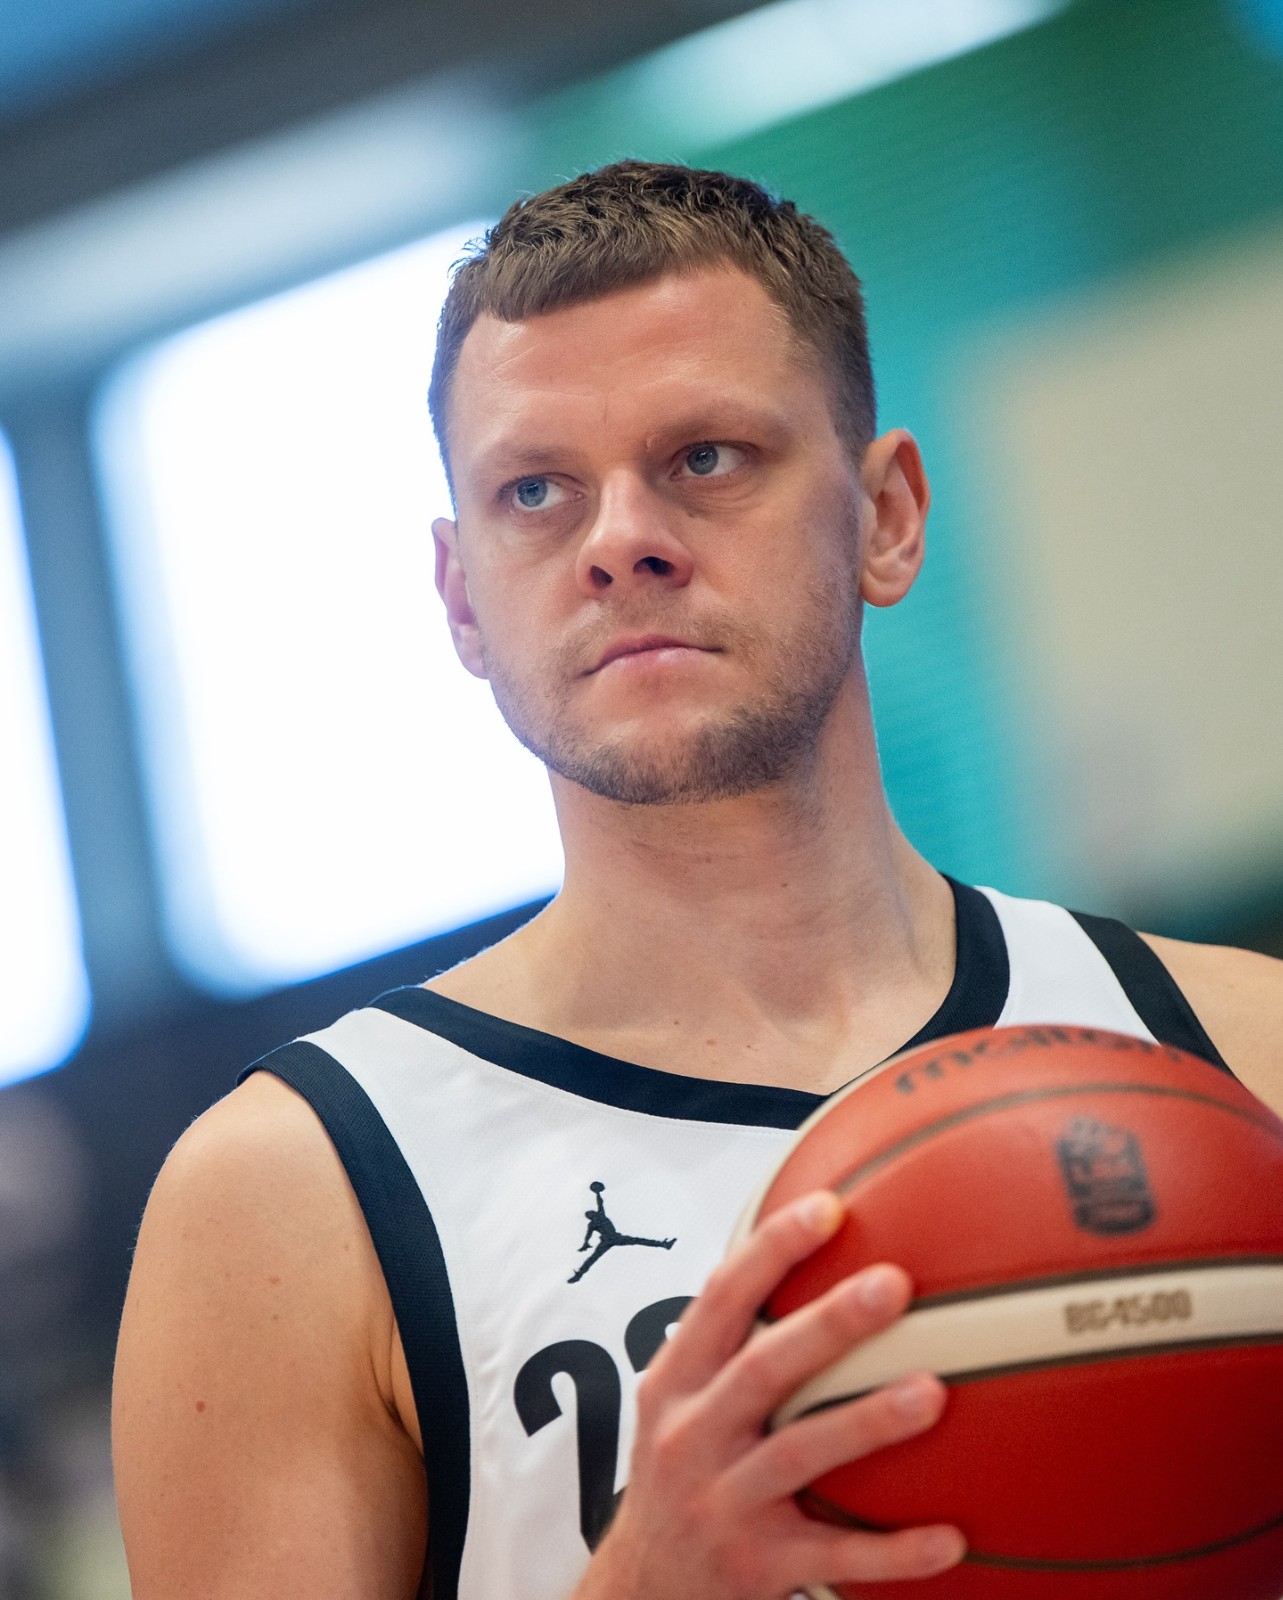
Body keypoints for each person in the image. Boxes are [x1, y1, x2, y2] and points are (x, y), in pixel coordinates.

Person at [112, 161, 1283, 1600]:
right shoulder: (292, 1197)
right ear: (463, 597)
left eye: (707, 458)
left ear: (887, 516)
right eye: (536, 491)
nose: (620, 543)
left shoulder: (1243, 1054)